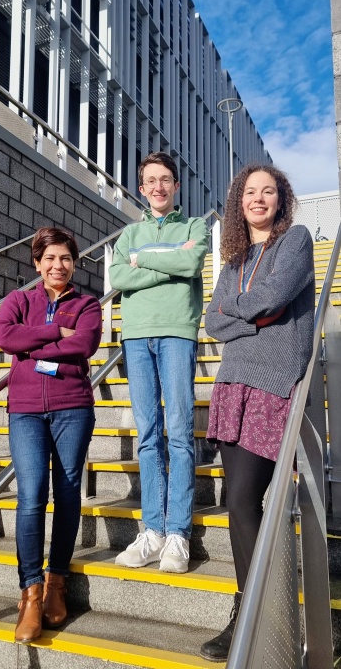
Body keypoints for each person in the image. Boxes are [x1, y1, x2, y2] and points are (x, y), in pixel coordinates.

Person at [200, 164, 315, 661]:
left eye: (269, 191)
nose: (259, 199)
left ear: (281, 198)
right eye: (251, 192)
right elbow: (211, 321)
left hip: (274, 385)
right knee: (237, 504)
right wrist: (253, 320)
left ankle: (254, 613)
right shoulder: (234, 259)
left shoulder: (296, 241)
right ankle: (246, 611)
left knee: (247, 500)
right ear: (238, 202)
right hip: (232, 386)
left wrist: (238, 316)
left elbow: (274, 298)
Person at [0, 227, 102, 644]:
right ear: (37, 263)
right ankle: (30, 593)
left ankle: (57, 583)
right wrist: (57, 333)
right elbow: (5, 336)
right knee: (31, 494)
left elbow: (87, 344)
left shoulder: (88, 303)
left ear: (75, 263)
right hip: (24, 411)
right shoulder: (19, 300)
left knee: (69, 490)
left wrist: (29, 347)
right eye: (50, 258)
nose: (59, 265)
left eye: (66, 259)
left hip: (72, 407)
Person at [109, 152, 209, 573]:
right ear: (141, 186)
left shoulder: (195, 226)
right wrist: (165, 261)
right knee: (149, 434)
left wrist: (142, 259)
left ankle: (177, 534)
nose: (158, 187)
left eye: (165, 179)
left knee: (181, 433)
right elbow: (118, 279)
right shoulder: (129, 232)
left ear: (176, 185)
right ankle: (151, 530)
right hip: (135, 335)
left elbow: (191, 261)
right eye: (150, 180)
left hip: (177, 333)